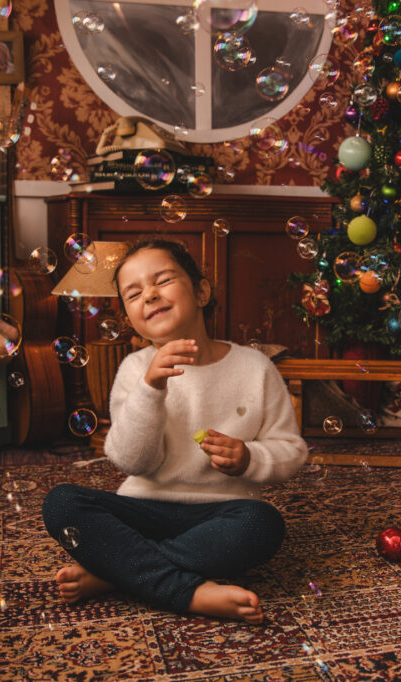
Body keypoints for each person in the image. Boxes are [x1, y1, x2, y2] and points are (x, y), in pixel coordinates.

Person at [42, 239, 307, 624]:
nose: (149, 295)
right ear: (131, 318)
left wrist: (251, 457)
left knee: (263, 524)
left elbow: (291, 450)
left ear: (201, 291)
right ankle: (189, 592)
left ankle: (115, 571)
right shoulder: (135, 369)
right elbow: (132, 460)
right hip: (143, 507)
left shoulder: (255, 367)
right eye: (133, 293)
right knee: (61, 503)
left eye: (163, 280)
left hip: (221, 514)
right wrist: (151, 389)